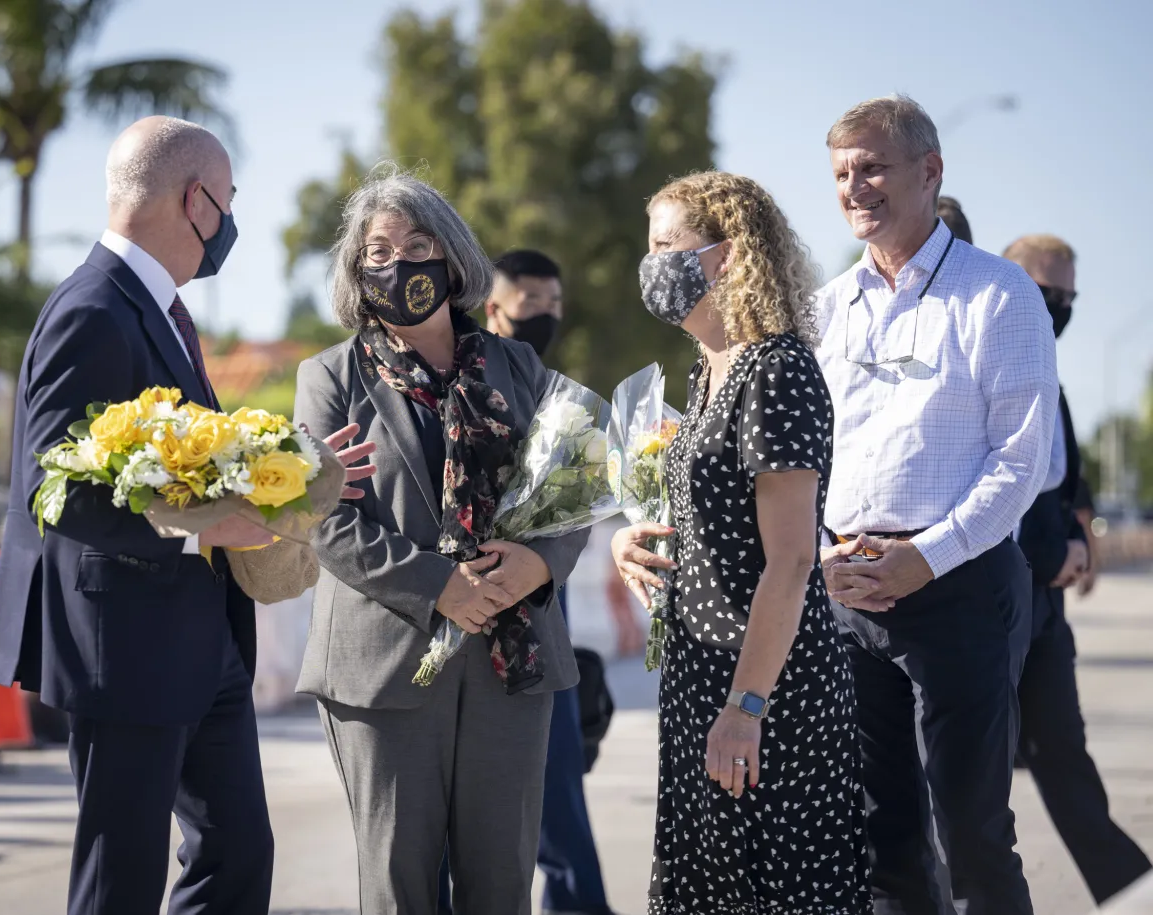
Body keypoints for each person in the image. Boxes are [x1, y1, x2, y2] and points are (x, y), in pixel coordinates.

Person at [0, 116, 373, 915]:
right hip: (122, 645)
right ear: (194, 201)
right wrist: (196, 528)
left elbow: (189, 463)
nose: (229, 224)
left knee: (237, 851)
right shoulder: (93, 308)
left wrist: (289, 470)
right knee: (120, 873)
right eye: (227, 202)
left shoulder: (156, 310)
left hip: (199, 640)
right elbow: (55, 487)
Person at [294, 172, 588, 915]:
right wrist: (439, 584)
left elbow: (574, 487)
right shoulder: (329, 377)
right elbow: (323, 517)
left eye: (418, 245)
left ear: (452, 257)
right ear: (359, 272)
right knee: (399, 888)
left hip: (507, 663)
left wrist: (539, 563)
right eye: (380, 251)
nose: (400, 265)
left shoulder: (518, 365)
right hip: (387, 671)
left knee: (500, 886)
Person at [814, 95, 1058, 915]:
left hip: (960, 589)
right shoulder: (827, 306)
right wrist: (826, 553)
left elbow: (1019, 462)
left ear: (932, 171)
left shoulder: (1000, 295)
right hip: (849, 589)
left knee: (972, 834)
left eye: (874, 166)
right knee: (880, 838)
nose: (857, 186)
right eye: (844, 172)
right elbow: (809, 454)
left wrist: (926, 556)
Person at [611, 170, 871, 914]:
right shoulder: (708, 373)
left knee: (775, 891)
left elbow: (790, 562)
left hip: (768, 693)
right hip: (702, 679)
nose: (651, 261)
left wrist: (746, 705)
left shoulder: (776, 369)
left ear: (724, 257)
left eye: (666, 244)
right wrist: (632, 542)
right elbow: (716, 527)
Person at [433, 250, 613, 915]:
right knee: (455, 810)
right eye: (530, 303)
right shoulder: (448, 389)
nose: (544, 317)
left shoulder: (555, 394)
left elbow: (575, 506)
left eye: (554, 306)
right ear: (494, 307)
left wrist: (536, 561)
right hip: (453, 618)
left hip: (537, 622)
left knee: (555, 788)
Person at [1004, 233, 1152, 904]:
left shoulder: (1047, 368)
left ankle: (1129, 889)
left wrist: (1085, 525)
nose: (1058, 307)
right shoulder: (994, 363)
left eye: (1068, 297)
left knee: (1063, 753)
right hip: (997, 601)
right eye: (1046, 293)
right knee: (955, 783)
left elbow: (1066, 470)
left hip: (1047, 610)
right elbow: (1003, 487)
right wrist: (1049, 551)